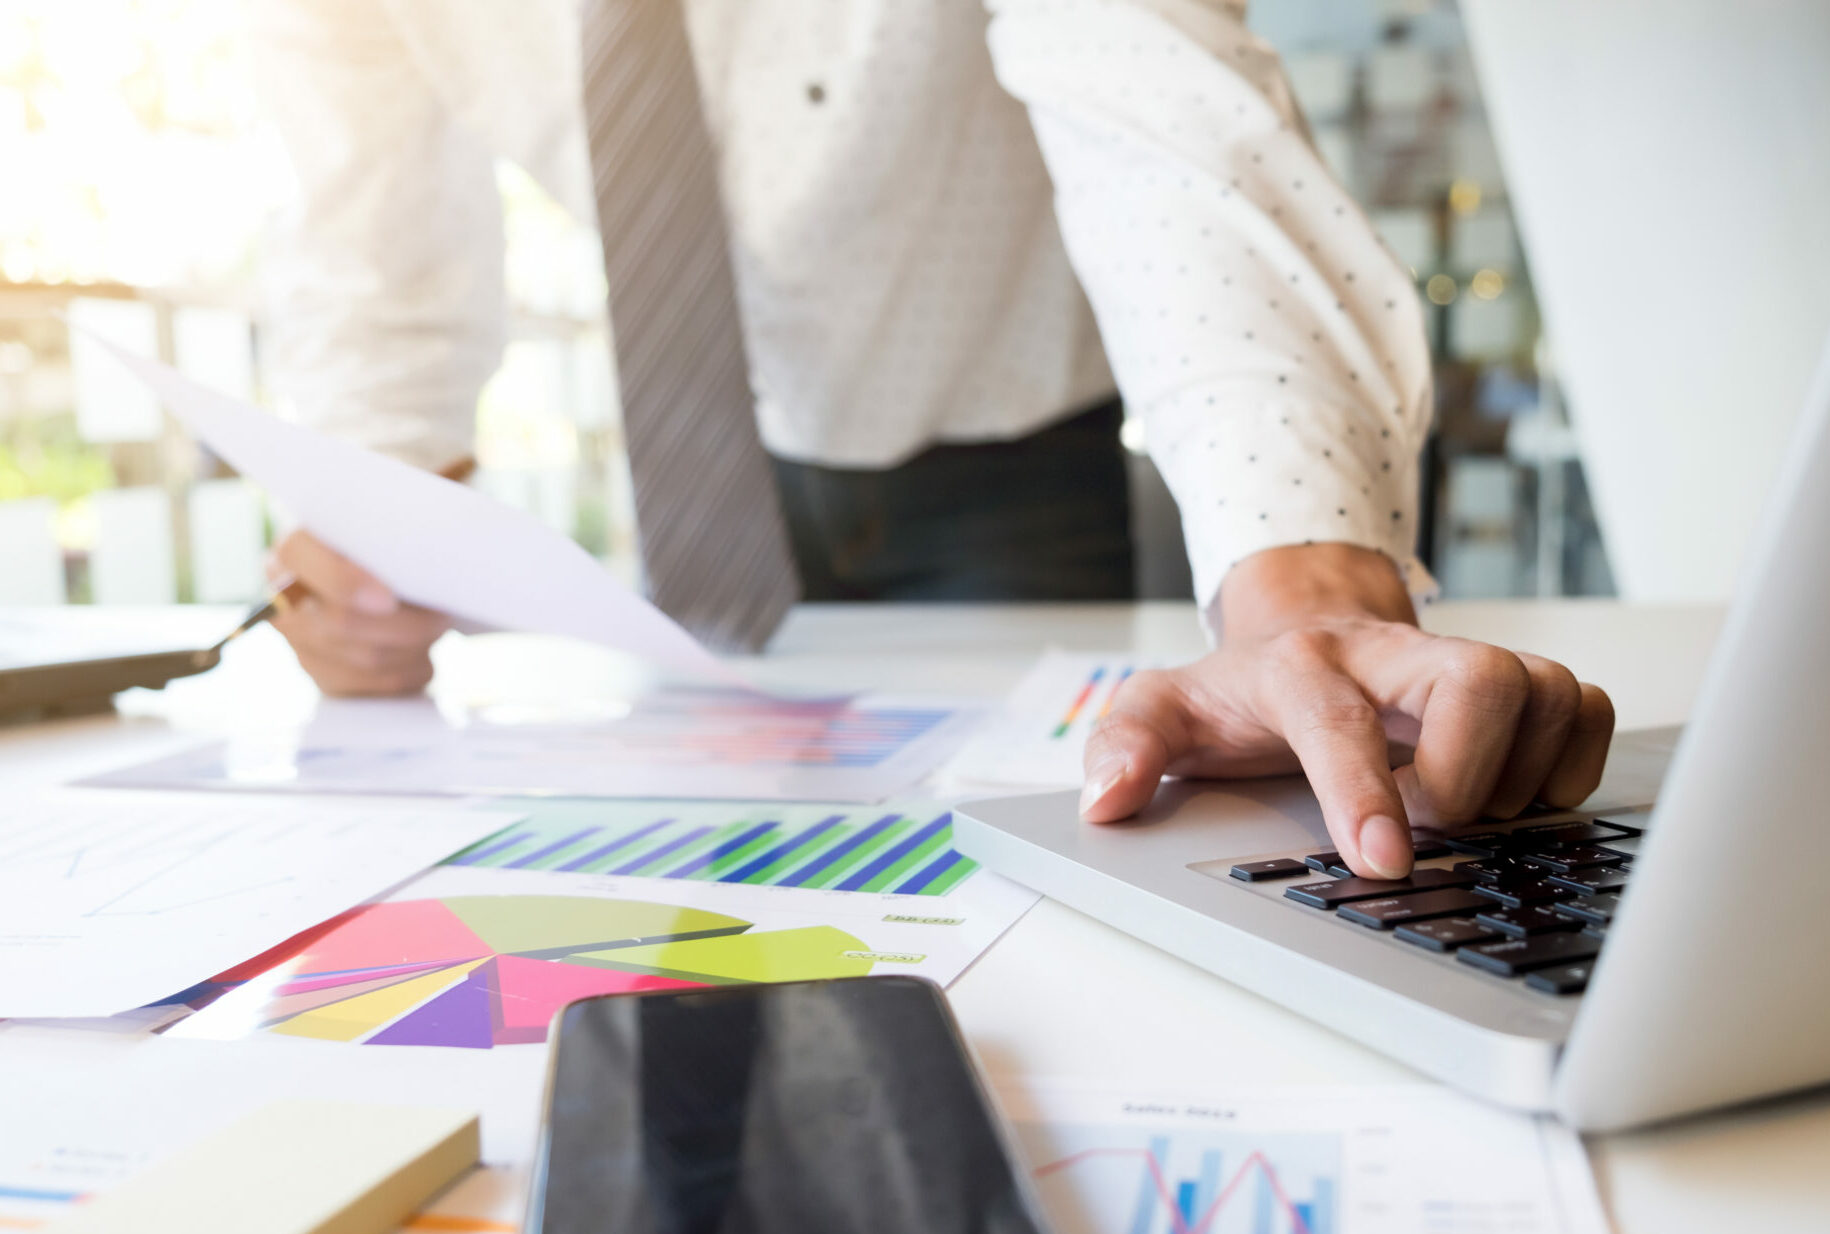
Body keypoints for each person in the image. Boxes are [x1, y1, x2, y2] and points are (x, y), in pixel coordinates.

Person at [249, 0, 1614, 881]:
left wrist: (1300, 593)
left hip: (1008, 454)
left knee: (1066, 871)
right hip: (708, 470)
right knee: (715, 881)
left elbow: (1167, 129)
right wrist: (368, 522)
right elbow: (373, 252)